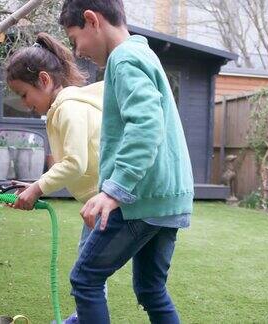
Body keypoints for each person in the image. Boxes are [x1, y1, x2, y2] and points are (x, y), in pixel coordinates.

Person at [59, 0, 195, 323]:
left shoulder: (123, 59)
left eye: (75, 38)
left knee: (85, 278)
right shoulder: (143, 54)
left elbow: (146, 125)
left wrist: (114, 190)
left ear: (92, 20)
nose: (77, 51)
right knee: (151, 289)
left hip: (140, 198)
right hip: (168, 199)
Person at [4, 32, 104, 324]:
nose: (24, 103)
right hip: (96, 203)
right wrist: (35, 186)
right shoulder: (62, 108)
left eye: (24, 94)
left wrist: (37, 188)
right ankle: (82, 318)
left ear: (45, 81)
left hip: (108, 200)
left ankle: (82, 319)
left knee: (88, 274)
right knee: (89, 270)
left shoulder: (69, 109)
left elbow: (74, 162)